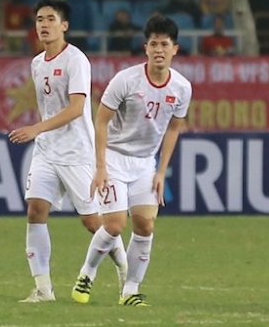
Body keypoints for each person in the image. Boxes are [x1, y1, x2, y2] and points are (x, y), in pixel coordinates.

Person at [9, 0, 128, 303]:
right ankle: (43, 289)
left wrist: (36, 128)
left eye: (50, 19)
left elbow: (77, 108)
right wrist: (41, 132)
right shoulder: (37, 63)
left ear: (64, 26)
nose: (44, 25)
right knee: (35, 210)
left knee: (93, 223)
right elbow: (46, 108)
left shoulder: (76, 60)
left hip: (77, 152)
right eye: (39, 20)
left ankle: (124, 266)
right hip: (47, 150)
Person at [71, 15, 192, 307]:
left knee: (145, 226)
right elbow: (100, 121)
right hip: (114, 157)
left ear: (175, 49)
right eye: (154, 44)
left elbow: (175, 126)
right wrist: (100, 167)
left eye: (164, 44)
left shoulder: (182, 88)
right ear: (145, 47)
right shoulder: (126, 80)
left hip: (144, 163)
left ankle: (130, 291)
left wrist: (161, 171)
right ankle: (87, 274)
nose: (159, 50)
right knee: (114, 225)